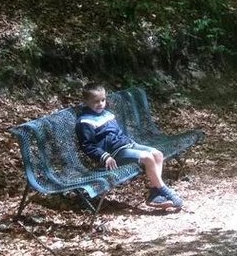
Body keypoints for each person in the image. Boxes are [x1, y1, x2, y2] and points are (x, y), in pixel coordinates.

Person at [76, 82, 184, 210]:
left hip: (127, 145)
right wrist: (104, 157)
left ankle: (155, 193)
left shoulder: (107, 114)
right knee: (147, 158)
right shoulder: (85, 121)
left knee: (158, 154)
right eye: (96, 101)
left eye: (103, 100)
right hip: (114, 154)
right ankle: (166, 191)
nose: (100, 104)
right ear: (86, 101)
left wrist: (130, 143)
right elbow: (87, 145)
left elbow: (118, 133)